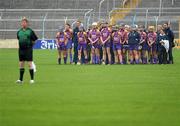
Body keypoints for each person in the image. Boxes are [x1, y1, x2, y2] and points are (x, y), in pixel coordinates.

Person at [16, 17, 38, 84]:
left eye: (24, 22)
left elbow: (35, 39)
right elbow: (19, 39)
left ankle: (32, 79)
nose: (23, 23)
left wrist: (31, 46)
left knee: (29, 64)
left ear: (27, 23)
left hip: (28, 49)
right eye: (22, 22)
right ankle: (20, 80)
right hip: (21, 50)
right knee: (21, 64)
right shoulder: (19, 32)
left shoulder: (30, 31)